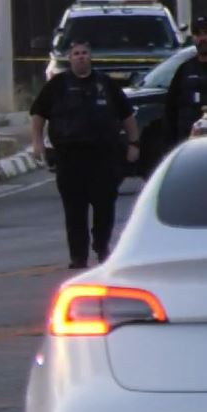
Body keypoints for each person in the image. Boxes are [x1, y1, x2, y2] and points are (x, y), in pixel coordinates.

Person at [31, 40, 139, 269]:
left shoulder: (105, 84)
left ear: (91, 57)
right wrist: (37, 142)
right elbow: (38, 114)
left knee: (104, 206)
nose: (80, 57)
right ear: (69, 59)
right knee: (74, 210)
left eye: (84, 53)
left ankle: (102, 247)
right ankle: (78, 256)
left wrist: (134, 143)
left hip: (103, 156)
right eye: (76, 54)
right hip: (70, 157)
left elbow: (127, 115)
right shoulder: (57, 85)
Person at [164, 15, 207, 146]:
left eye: (206, 33)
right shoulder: (185, 70)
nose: (202, 39)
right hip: (188, 146)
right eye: (197, 34)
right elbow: (170, 111)